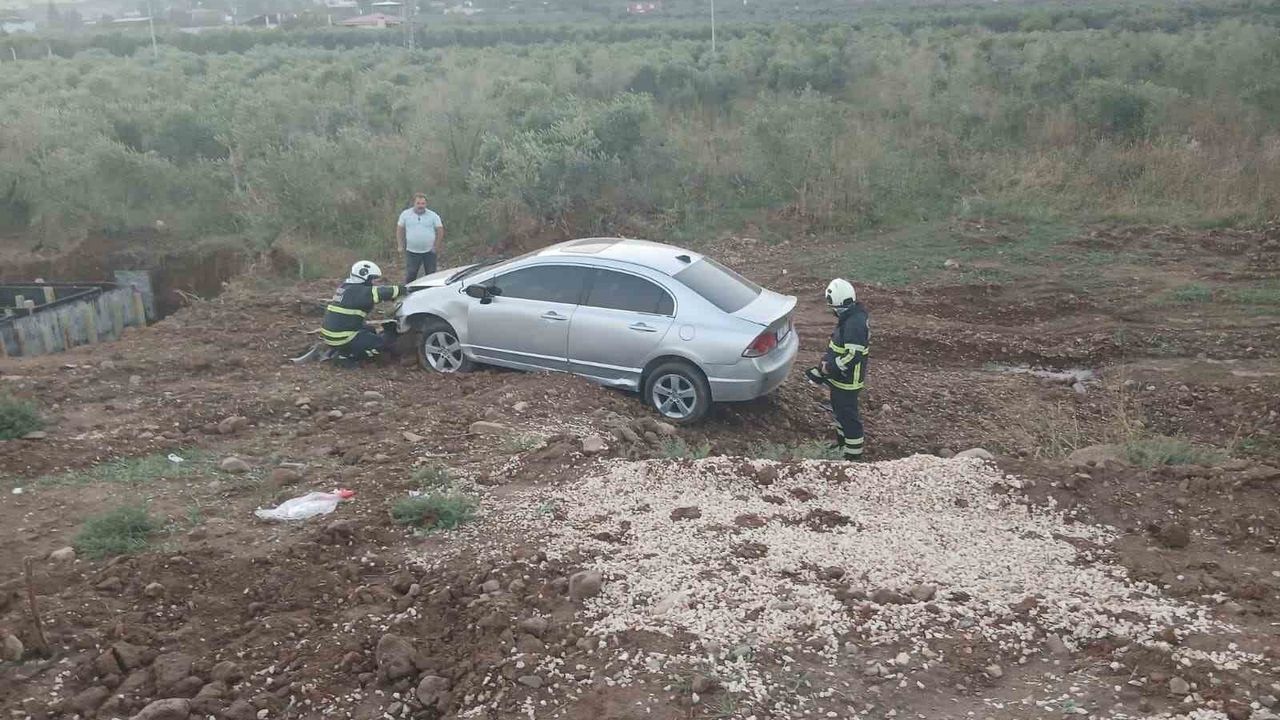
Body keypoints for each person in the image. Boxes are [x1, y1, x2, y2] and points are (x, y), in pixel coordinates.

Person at [805, 278, 870, 461]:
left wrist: (829, 369)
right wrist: (822, 370)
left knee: (849, 419)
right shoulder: (850, 317)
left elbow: (852, 356)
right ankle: (843, 447)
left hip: (848, 382)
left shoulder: (853, 324)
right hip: (840, 379)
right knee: (840, 415)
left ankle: (853, 458)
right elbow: (839, 349)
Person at [320, 261, 408, 368]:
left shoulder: (346, 286)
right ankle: (346, 357)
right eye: (371, 279)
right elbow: (381, 292)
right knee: (381, 344)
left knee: (370, 330)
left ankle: (343, 350)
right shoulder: (358, 291)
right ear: (364, 276)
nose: (372, 282)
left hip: (333, 333)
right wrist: (403, 289)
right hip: (342, 337)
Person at [397, 193, 445, 284]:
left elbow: (440, 230)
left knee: (431, 275)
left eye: (423, 204)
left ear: (426, 204)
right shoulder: (405, 214)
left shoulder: (433, 215)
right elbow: (399, 229)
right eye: (418, 203)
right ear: (414, 203)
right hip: (412, 251)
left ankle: (430, 293)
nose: (420, 206)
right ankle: (408, 292)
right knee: (411, 273)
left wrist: (436, 246)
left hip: (430, 251)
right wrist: (400, 245)